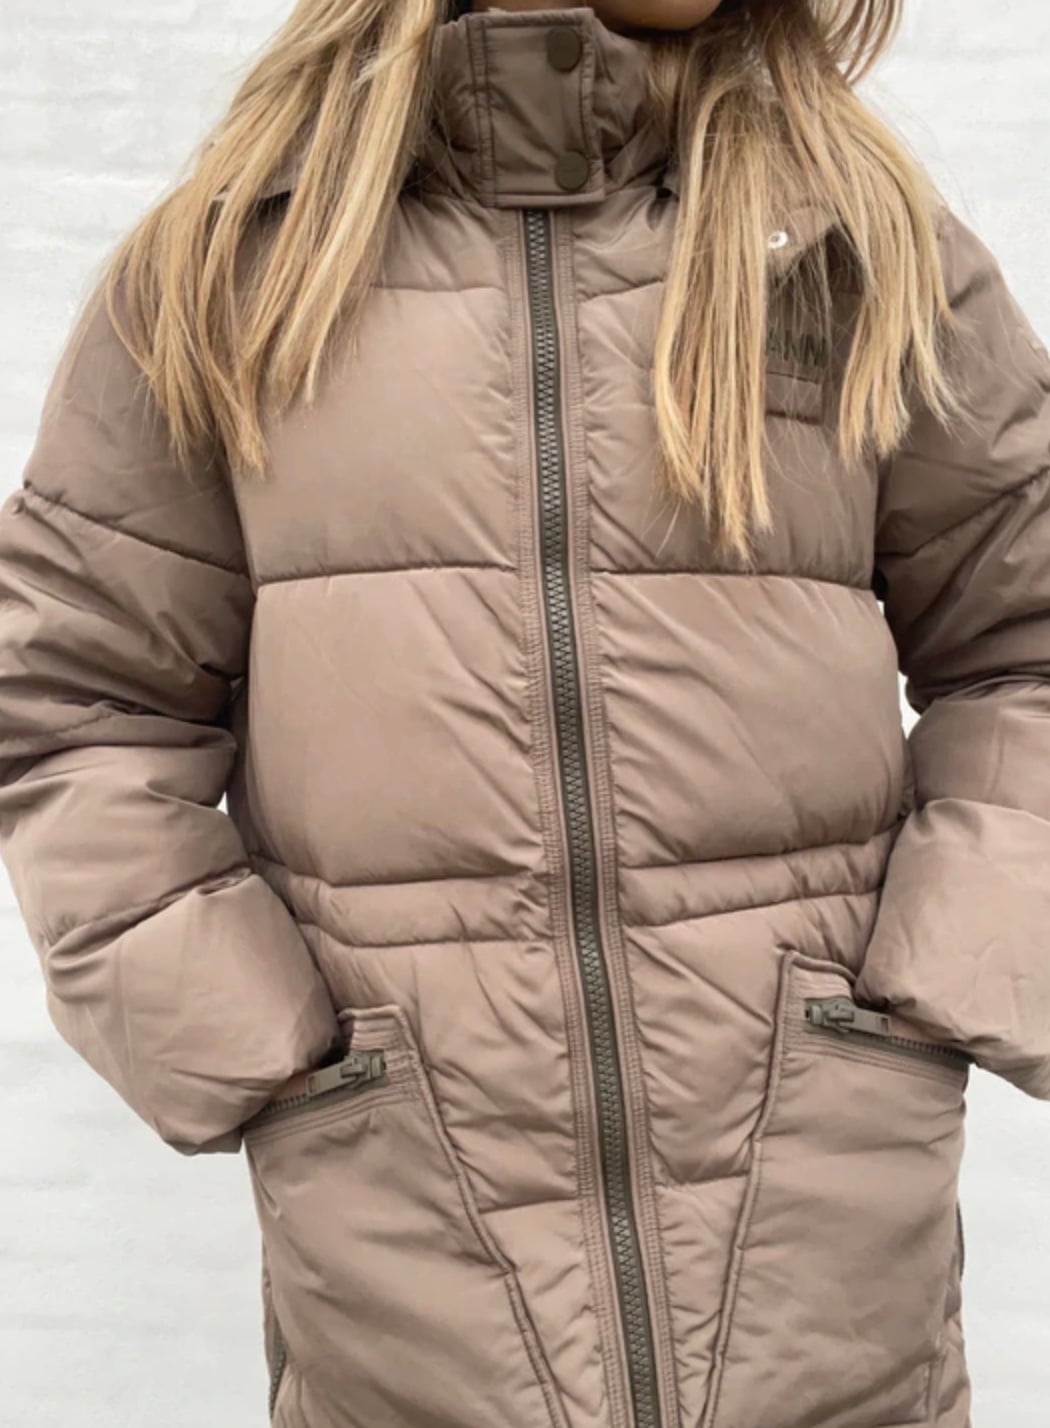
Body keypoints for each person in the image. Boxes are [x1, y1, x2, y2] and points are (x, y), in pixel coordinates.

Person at [0, 0, 1047, 1423]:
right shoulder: (238, 272)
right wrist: (268, 1058)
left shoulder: (844, 248)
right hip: (408, 1241)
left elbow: (1023, 639)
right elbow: (78, 703)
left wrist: (940, 989)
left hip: (823, 1226)